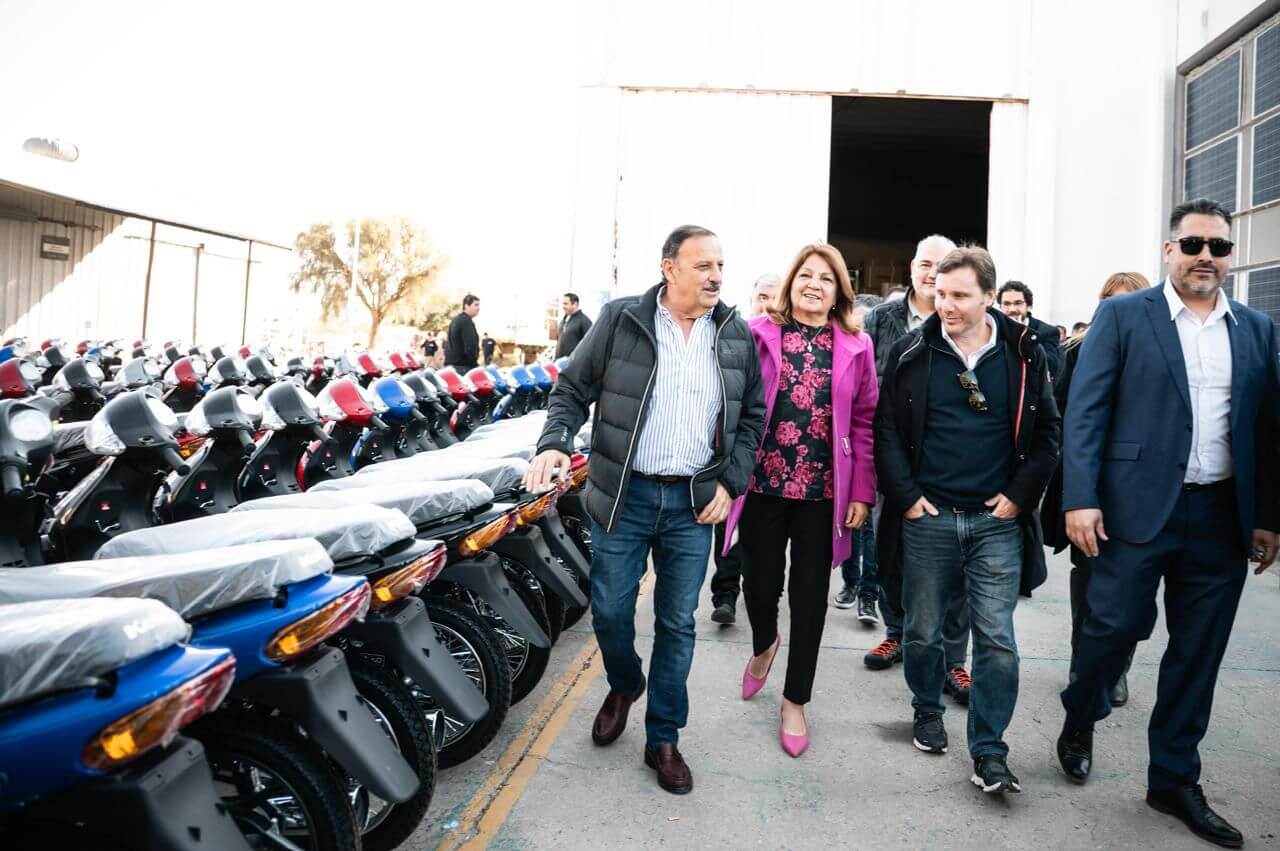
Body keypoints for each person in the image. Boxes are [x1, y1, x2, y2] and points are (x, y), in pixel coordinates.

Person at [1057, 199, 1279, 847]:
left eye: (1219, 246)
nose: (1206, 256)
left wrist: (1268, 516)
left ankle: (1173, 778)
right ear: (1169, 249)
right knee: (1109, 629)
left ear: (1230, 256)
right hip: (1132, 509)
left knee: (1198, 652)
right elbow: (1087, 412)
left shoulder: (1257, 329)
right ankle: (1081, 713)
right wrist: (1079, 498)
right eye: (1193, 244)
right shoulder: (1125, 315)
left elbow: (1269, 430)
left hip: (1220, 515)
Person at [524, 224, 765, 795]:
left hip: (691, 504)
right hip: (623, 495)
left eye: (720, 266)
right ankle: (625, 682)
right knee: (609, 612)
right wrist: (554, 442)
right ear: (669, 268)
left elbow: (754, 416)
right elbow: (571, 389)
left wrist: (731, 482)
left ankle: (664, 739)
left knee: (677, 624)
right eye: (703, 265)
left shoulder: (734, 333)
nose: (716, 276)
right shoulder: (622, 320)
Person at [876, 246, 1060, 794]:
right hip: (928, 518)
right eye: (940, 293)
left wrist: (1019, 497)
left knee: (997, 640)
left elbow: (1048, 434)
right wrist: (908, 498)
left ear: (989, 297)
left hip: (996, 523)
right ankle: (926, 708)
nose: (946, 305)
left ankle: (990, 750)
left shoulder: (1024, 354)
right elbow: (886, 431)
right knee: (922, 630)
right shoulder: (913, 351)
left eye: (960, 295)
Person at [721, 243, 877, 758]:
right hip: (762, 485)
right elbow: (732, 403)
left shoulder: (857, 345)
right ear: (791, 284)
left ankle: (795, 701)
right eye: (806, 275)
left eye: (826, 279)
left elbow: (864, 421)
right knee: (758, 587)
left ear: (839, 293)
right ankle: (765, 642)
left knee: (809, 601)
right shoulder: (756, 333)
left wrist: (862, 491)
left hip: (824, 493)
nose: (814, 284)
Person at [862, 235, 973, 710]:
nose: (931, 273)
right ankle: (896, 631)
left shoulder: (968, 320)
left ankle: (953, 658)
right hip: (891, 456)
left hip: (949, 464)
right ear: (911, 268)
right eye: (925, 264)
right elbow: (865, 383)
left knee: (957, 565)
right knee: (888, 551)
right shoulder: (880, 320)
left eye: (941, 265)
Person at [1042, 272, 1151, 708]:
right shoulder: (1077, 350)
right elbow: (1060, 413)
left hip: (1142, 491)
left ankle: (1118, 667)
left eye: (1127, 301)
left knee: (1134, 585)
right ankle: (1082, 662)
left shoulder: (1160, 352)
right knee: (1087, 577)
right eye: (1110, 302)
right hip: (1089, 483)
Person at [709, 272, 781, 626]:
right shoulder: (735, 336)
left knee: (761, 538)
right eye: (762, 297)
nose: (767, 305)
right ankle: (725, 596)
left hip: (773, 457)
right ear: (752, 299)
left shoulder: (784, 342)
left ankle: (763, 597)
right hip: (735, 449)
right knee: (726, 526)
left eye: (774, 298)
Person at [834, 293, 885, 622]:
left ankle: (869, 594)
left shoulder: (878, 354)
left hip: (876, 449)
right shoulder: (847, 352)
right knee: (851, 524)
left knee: (870, 528)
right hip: (849, 452)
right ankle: (851, 582)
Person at [995, 280, 1063, 380]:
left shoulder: (1047, 331)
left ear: (1029, 306)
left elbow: (1052, 368)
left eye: (1018, 303)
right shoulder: (994, 330)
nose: (1012, 309)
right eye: (1006, 304)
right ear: (1000, 307)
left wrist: (1024, 337)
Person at [446, 295, 481, 370]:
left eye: (478, 305)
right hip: (464, 367)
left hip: (453, 366)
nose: (478, 308)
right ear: (466, 306)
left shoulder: (456, 320)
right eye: (475, 305)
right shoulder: (466, 321)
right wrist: (474, 363)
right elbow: (470, 346)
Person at [555, 292, 594, 358]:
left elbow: (590, 345)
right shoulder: (563, 320)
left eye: (566, 304)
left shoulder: (584, 321)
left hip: (573, 362)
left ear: (575, 304)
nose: (563, 307)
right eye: (562, 304)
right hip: (559, 362)